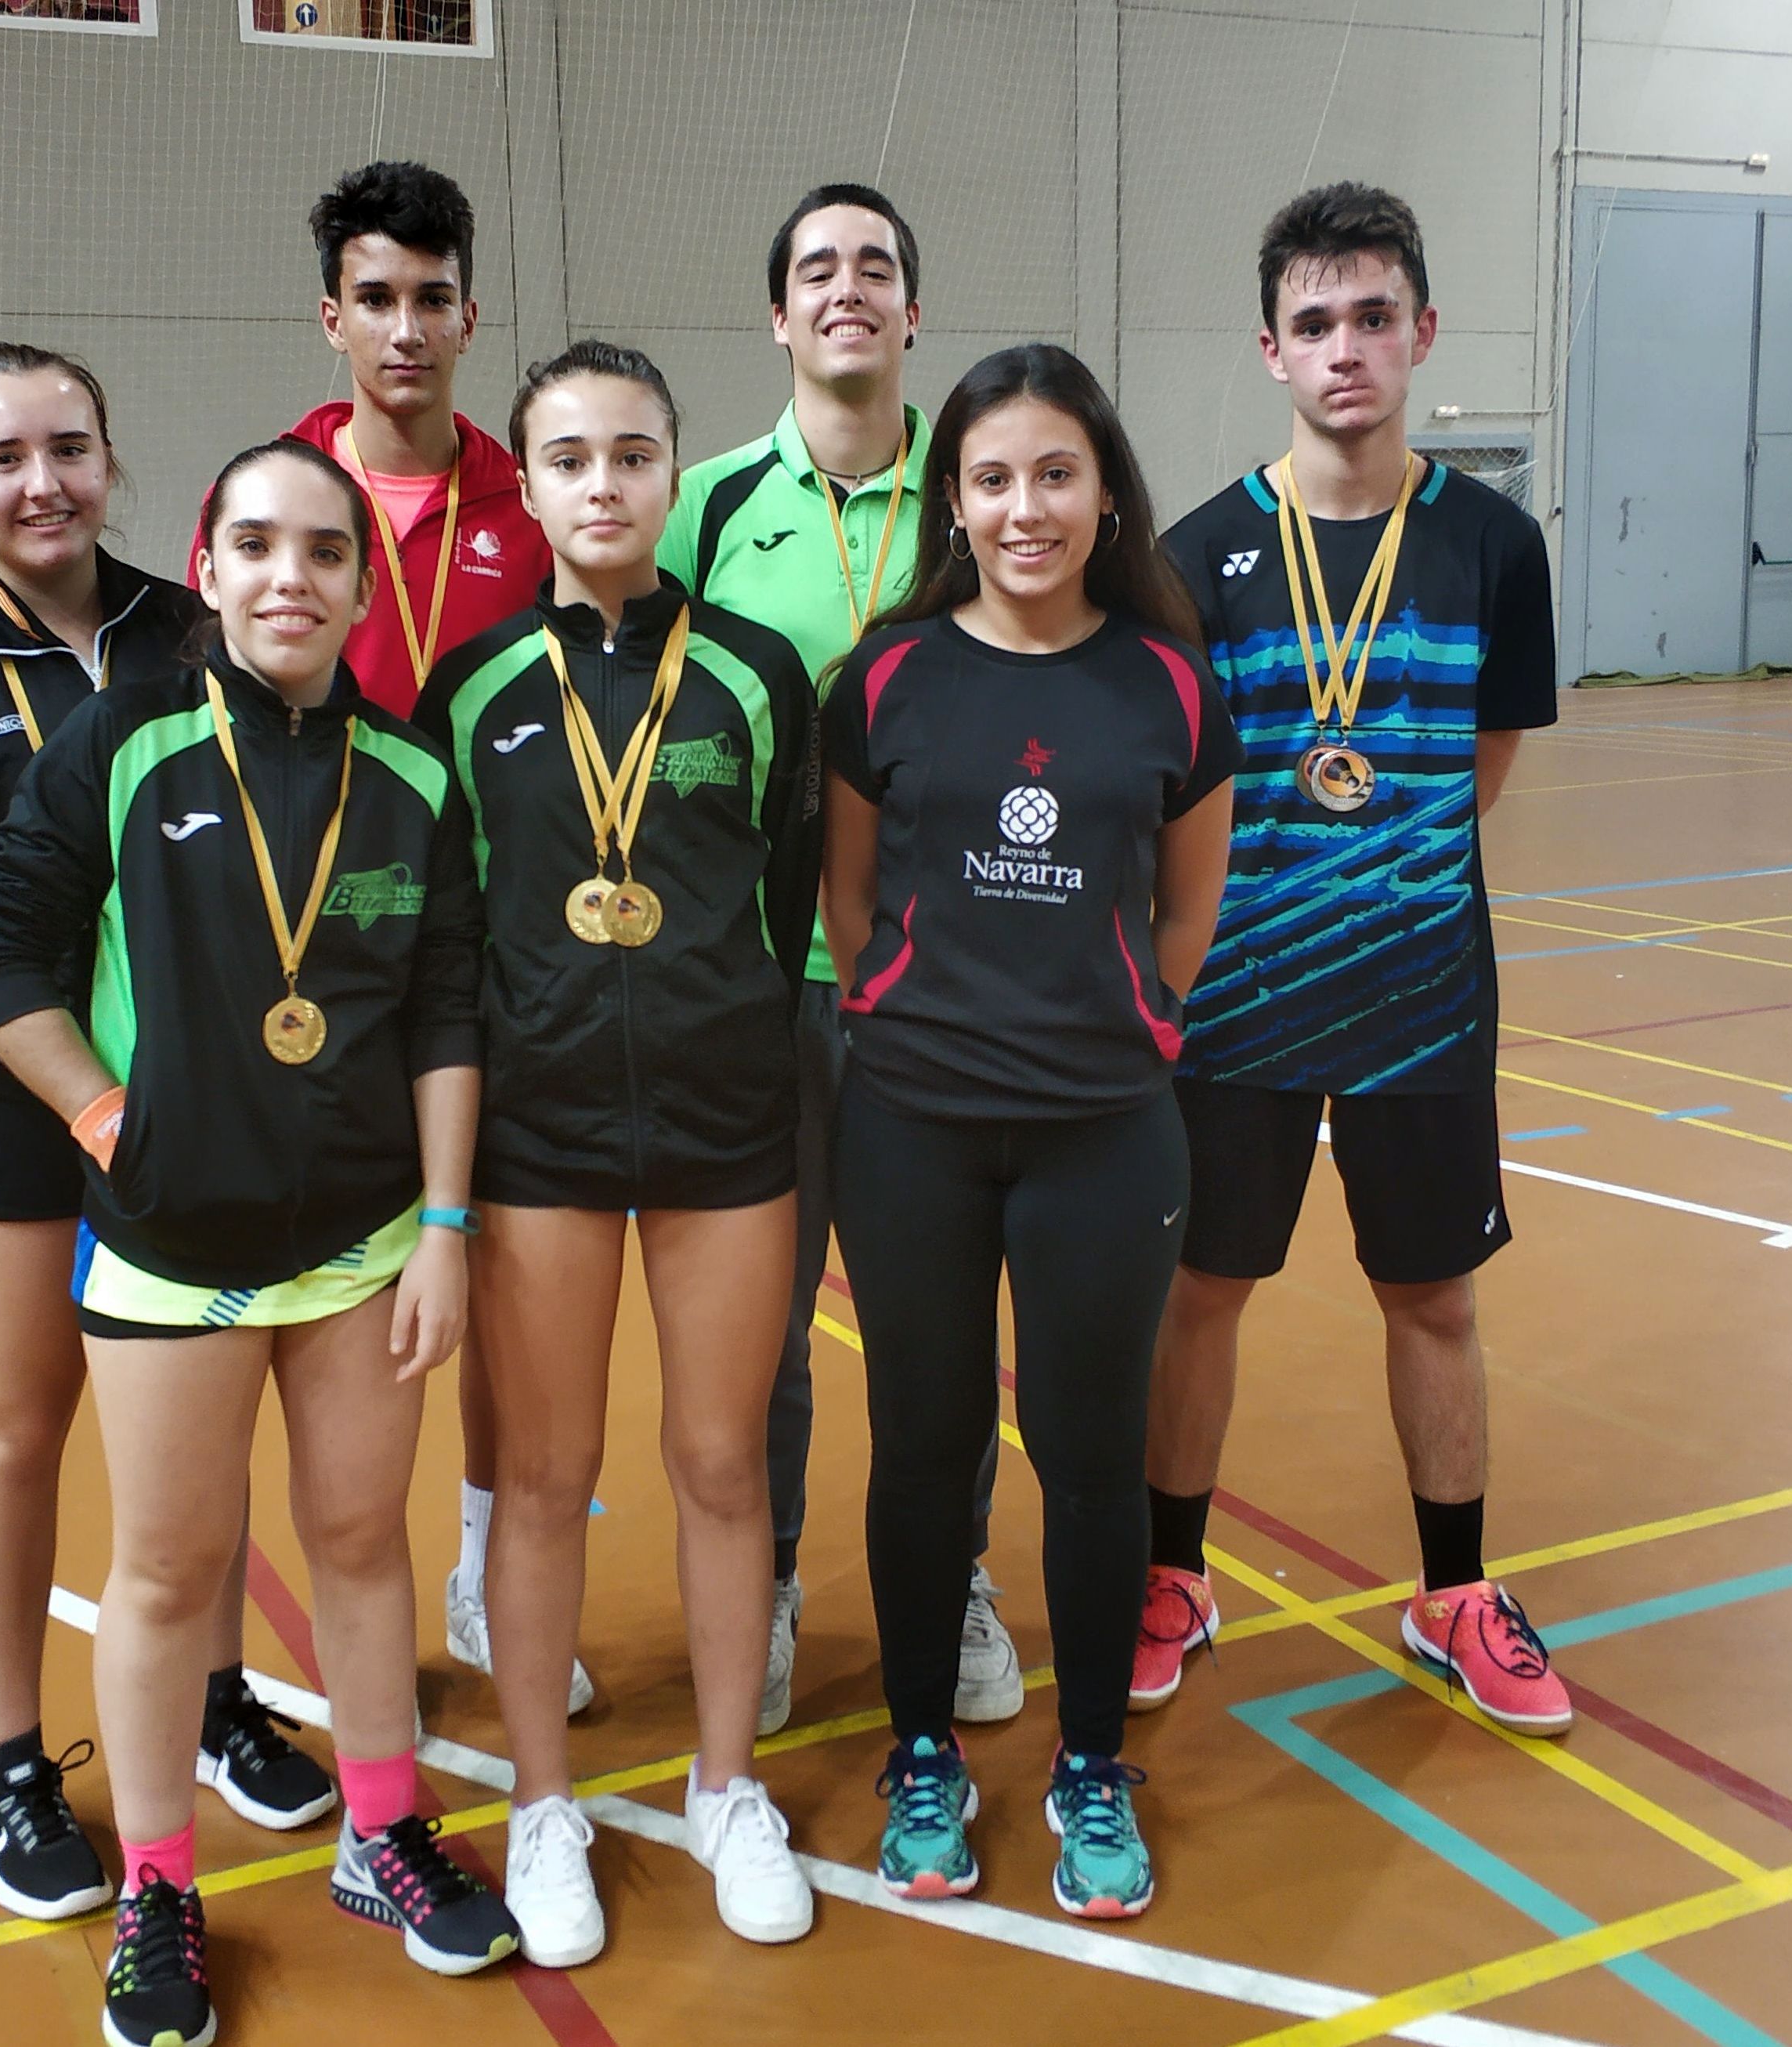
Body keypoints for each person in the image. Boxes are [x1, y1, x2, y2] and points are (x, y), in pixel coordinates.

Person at [0, 439, 522, 2046]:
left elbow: (442, 1012)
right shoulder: (118, 748)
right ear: (205, 569)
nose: (292, 576)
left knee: (359, 1541)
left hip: (359, 1242)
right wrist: (96, 1115)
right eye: (258, 545)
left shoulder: (412, 778)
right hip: (166, 1251)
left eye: (325, 550)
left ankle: (382, 1826)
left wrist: (441, 1223)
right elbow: (0, 952)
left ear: (361, 582)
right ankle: (157, 1886)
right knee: (165, 1566)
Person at [0, 343, 332, 1927]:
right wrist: (81, 1065)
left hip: (198, 1109)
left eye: (67, 446)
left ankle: (211, 1693)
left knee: (191, 1426)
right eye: (2, 457)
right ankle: (5, 1762)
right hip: (16, 1101)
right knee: (17, 1418)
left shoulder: (188, 628)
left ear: (111, 458)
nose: (39, 481)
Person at [1143, 182, 1566, 1734]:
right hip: (1236, 1001)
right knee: (1199, 1290)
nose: (1344, 350)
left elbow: (1483, 759)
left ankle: (1453, 1589)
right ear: (1269, 347)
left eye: (1371, 317)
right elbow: (1183, 788)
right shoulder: (1194, 555)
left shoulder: (1492, 543)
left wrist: (1383, 894)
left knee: (1434, 1299)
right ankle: (1171, 1573)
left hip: (1422, 1001)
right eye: (1313, 323)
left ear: (1421, 334)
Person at [416, 342, 821, 1963]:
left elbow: (787, 895)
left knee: (723, 1464)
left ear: (673, 476)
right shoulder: (471, 686)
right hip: (542, 1129)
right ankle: (539, 1803)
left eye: (634, 453)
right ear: (526, 477)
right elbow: (451, 919)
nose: (603, 482)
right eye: (569, 455)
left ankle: (728, 1785)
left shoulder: (751, 673)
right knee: (543, 1476)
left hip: (729, 1123)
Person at [822, 344, 1238, 1919]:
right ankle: (922, 1747)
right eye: (991, 477)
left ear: (1105, 492)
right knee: (924, 1448)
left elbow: (1187, 907)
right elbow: (854, 896)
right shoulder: (883, 676)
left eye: (1054, 473)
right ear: (955, 500)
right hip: (914, 1125)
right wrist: (923, 1013)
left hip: (1103, 1135)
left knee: (1084, 1457)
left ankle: (1083, 1765)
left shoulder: (1168, 683)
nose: (1023, 505)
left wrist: (1117, 1015)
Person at [191, 161, 584, 1710]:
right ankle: (238, 1672)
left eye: (433, 299)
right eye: (376, 298)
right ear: (330, 315)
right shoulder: (272, 494)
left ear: (469, 315)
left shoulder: (529, 493)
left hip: (495, 949)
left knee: (483, 1276)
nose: (405, 327)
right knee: (295, 1303)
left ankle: (487, 1583)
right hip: (321, 948)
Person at [658, 183, 1017, 1737]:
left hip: (951, 976)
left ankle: (957, 1584)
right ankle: (783, 1578)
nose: (847, 288)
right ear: (780, 315)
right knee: (771, 1317)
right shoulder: (712, 505)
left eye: (877, 265)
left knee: (937, 1312)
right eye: (817, 268)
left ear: (913, 312)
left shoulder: (983, 484)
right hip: (770, 983)